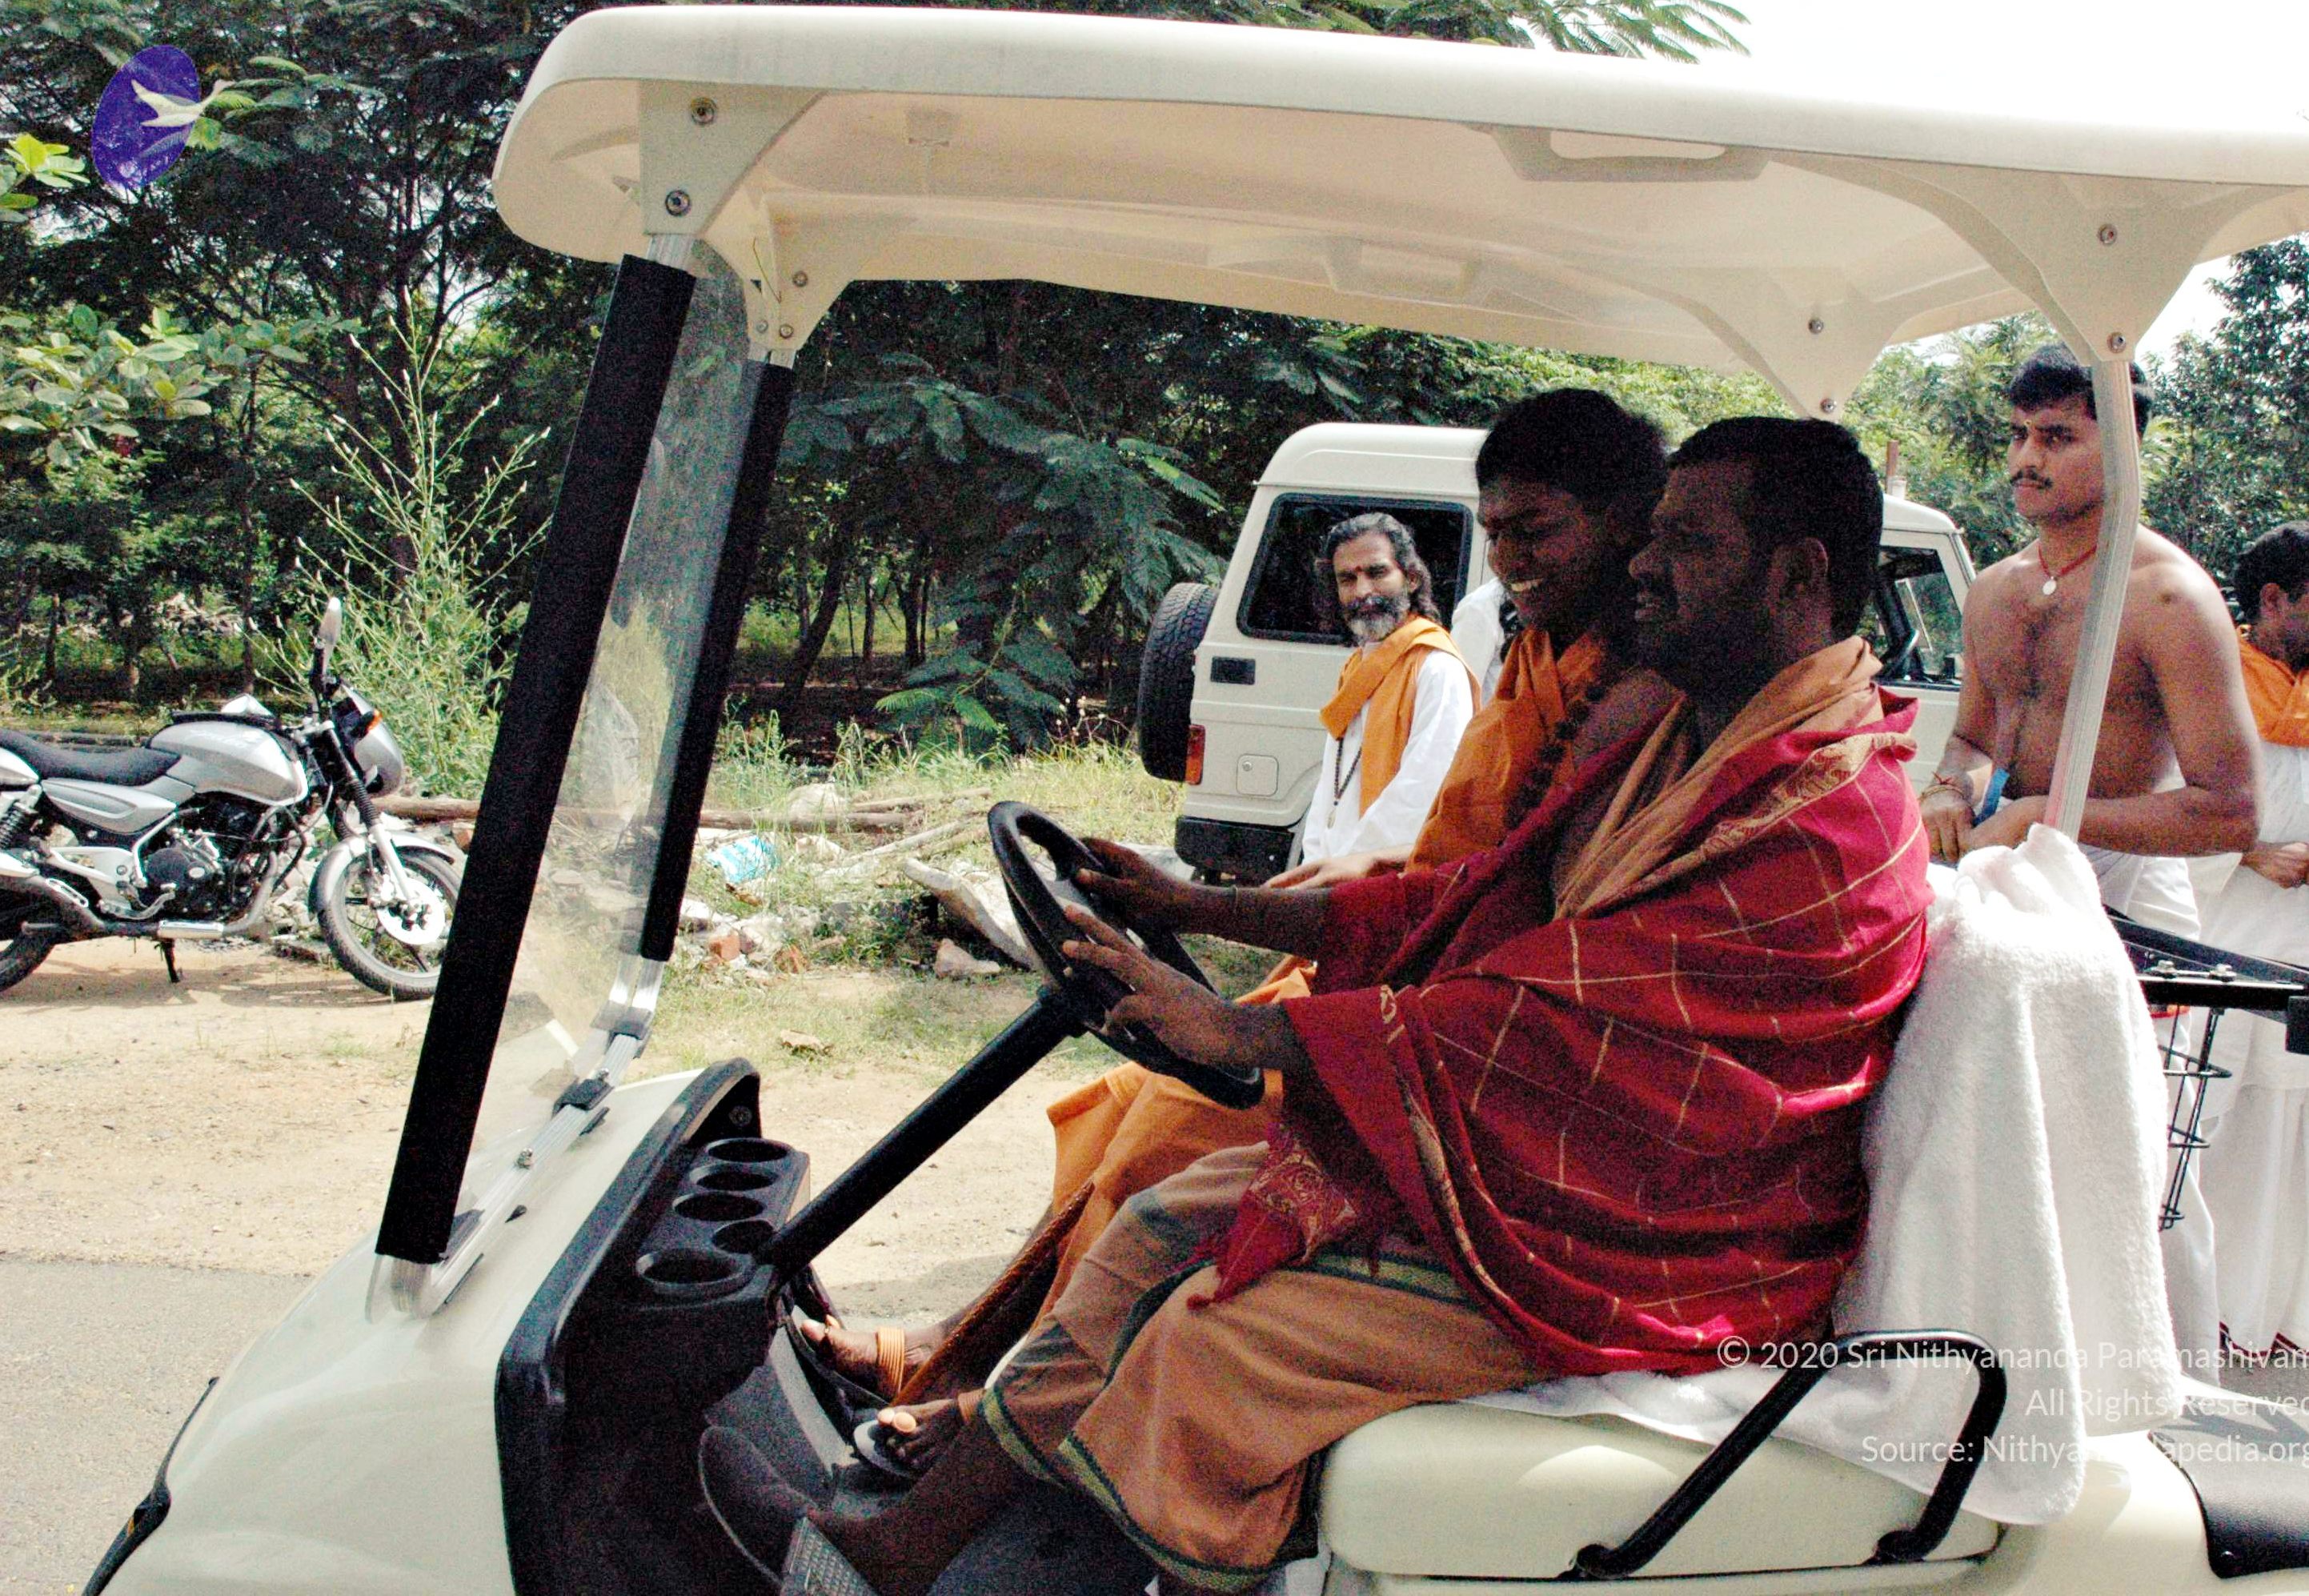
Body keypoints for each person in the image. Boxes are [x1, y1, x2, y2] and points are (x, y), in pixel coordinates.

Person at [703, 417, 1935, 1594]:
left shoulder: (1822, 815)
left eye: (1687, 543)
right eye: (1651, 534)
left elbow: (1561, 1020)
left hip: (1655, 1250)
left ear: (1799, 575)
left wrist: (1248, 1029)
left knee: (1208, 1338)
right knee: (1156, 1223)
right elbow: (1479, 904)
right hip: (1549, 1170)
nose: (1646, 569)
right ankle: (890, 1554)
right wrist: (1201, 905)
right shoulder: (1693, 737)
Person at [798, 392, 1670, 1470]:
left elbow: (1469, 899)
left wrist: (1234, 945)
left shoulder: (1601, 697)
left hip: (1440, 1040)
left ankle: (988, 1403)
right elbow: (1435, 868)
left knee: (1165, 1131)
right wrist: (1191, 902)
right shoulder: (1529, 654)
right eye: (1493, 534)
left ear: (1626, 522)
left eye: (1534, 531)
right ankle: (964, 1354)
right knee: (1123, 1101)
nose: (1508, 561)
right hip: (1385, 959)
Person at [1918, 344, 2256, 933]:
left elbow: (2231, 814)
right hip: (1997, 876)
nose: (2026, 458)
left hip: (2121, 896)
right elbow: (1973, 738)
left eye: (2057, 437)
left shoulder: (2169, 598)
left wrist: (2042, 817)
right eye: (2018, 435)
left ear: (2126, 448)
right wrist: (1949, 789)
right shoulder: (1994, 589)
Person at [2196, 523, 2309, 1360]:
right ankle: (2194, 1309)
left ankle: (2261, 1312)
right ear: (2273, 601)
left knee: (2285, 1134)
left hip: (2298, 947)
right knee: (2208, 1120)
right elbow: (2160, 813)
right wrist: (2245, 854)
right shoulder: (2210, 685)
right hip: (2218, 942)